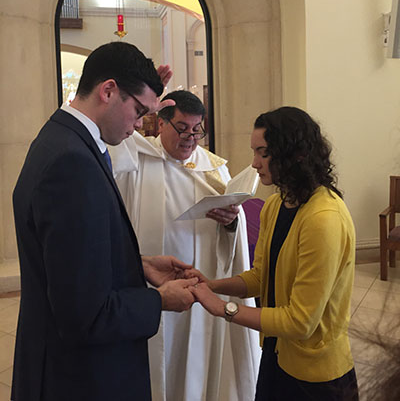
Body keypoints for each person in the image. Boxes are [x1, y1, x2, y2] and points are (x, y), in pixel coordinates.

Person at [11, 42, 199, 401]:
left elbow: (67, 261)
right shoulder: (72, 164)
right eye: (140, 110)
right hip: (80, 377)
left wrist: (137, 264)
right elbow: (85, 316)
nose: (142, 124)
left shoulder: (62, 138)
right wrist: (159, 300)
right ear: (108, 90)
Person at [186, 106, 360, 400]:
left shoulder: (324, 217)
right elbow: (259, 277)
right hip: (276, 353)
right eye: (254, 152)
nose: (254, 163)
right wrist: (210, 285)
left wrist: (224, 309)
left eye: (263, 153)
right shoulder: (276, 205)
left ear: (296, 154)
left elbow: (300, 322)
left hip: (316, 373)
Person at [109, 90, 260, 401]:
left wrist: (231, 221)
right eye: (182, 128)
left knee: (195, 358)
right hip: (150, 287)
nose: (191, 138)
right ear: (161, 123)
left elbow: (236, 229)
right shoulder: (135, 161)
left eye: (197, 129)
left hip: (200, 288)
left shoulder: (215, 168)